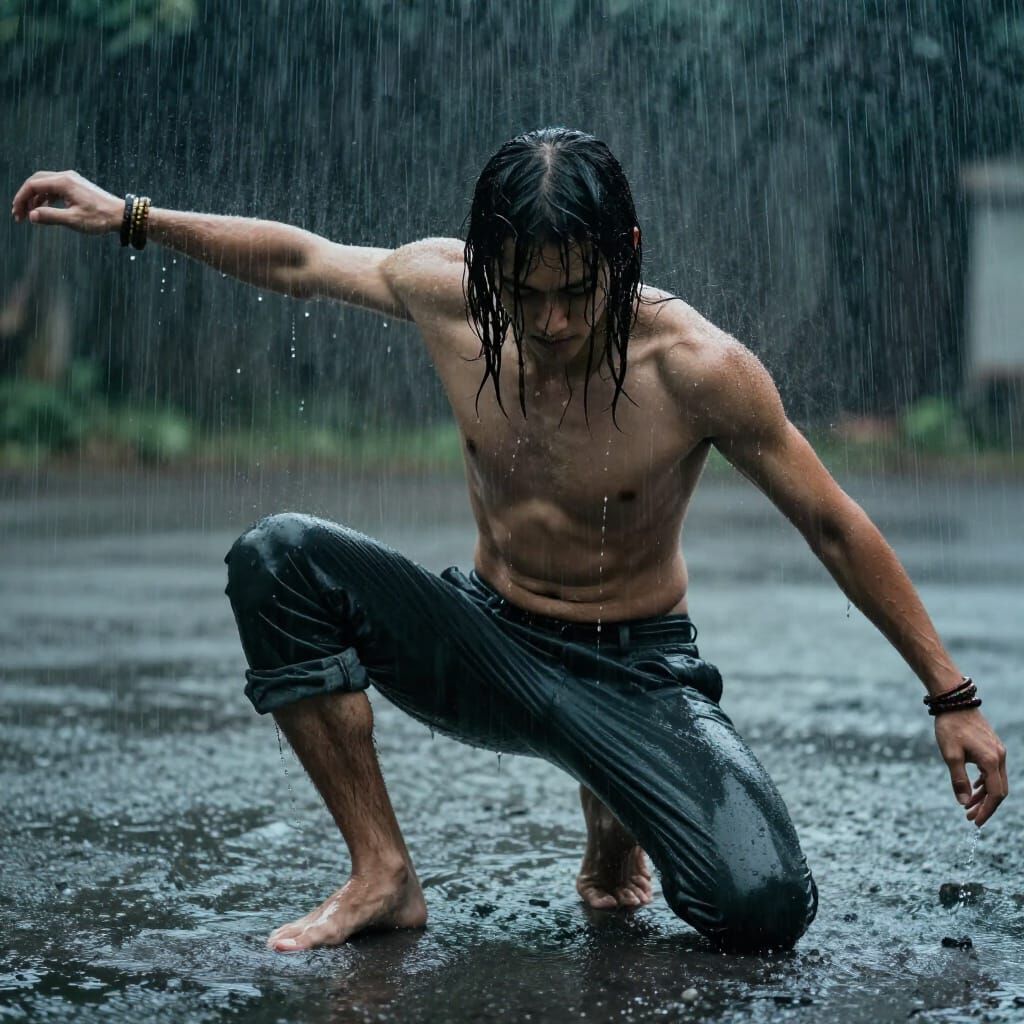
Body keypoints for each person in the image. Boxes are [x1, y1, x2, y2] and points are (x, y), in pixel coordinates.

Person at [12, 127, 1008, 957]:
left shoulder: (701, 368)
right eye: (523, 293)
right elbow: (301, 259)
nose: (553, 321)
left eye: (578, 291)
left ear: (626, 250)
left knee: (761, 911)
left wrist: (949, 692)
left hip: (632, 673)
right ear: (486, 266)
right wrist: (132, 217)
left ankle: (614, 815)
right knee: (277, 557)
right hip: (488, 638)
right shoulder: (443, 290)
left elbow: (832, 522)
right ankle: (383, 873)